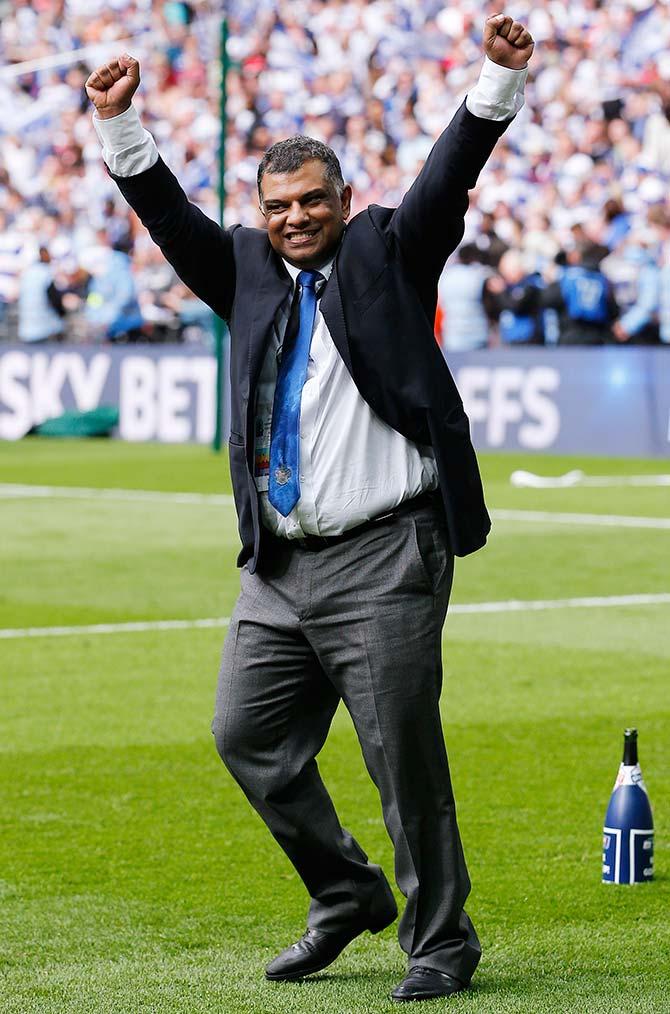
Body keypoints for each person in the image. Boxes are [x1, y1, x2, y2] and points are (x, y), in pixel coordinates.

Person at [86, 13, 534, 1003]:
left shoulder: (387, 248)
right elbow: (168, 215)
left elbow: (443, 176)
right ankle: (344, 892)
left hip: (387, 553)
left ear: (342, 199)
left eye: (311, 200)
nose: (294, 216)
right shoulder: (243, 270)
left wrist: (494, 83)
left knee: (399, 758)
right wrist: (120, 125)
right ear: (261, 210)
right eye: (277, 204)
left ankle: (441, 941)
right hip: (279, 567)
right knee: (245, 733)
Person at [540, 244, 618, 345]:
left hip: (571, 336)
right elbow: (613, 310)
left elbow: (547, 300)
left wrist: (549, 282)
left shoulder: (568, 277)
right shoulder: (602, 279)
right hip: (597, 338)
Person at [436, 244, 492, 351]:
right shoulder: (479, 275)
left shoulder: (446, 276)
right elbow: (489, 304)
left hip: (452, 333)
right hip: (477, 332)